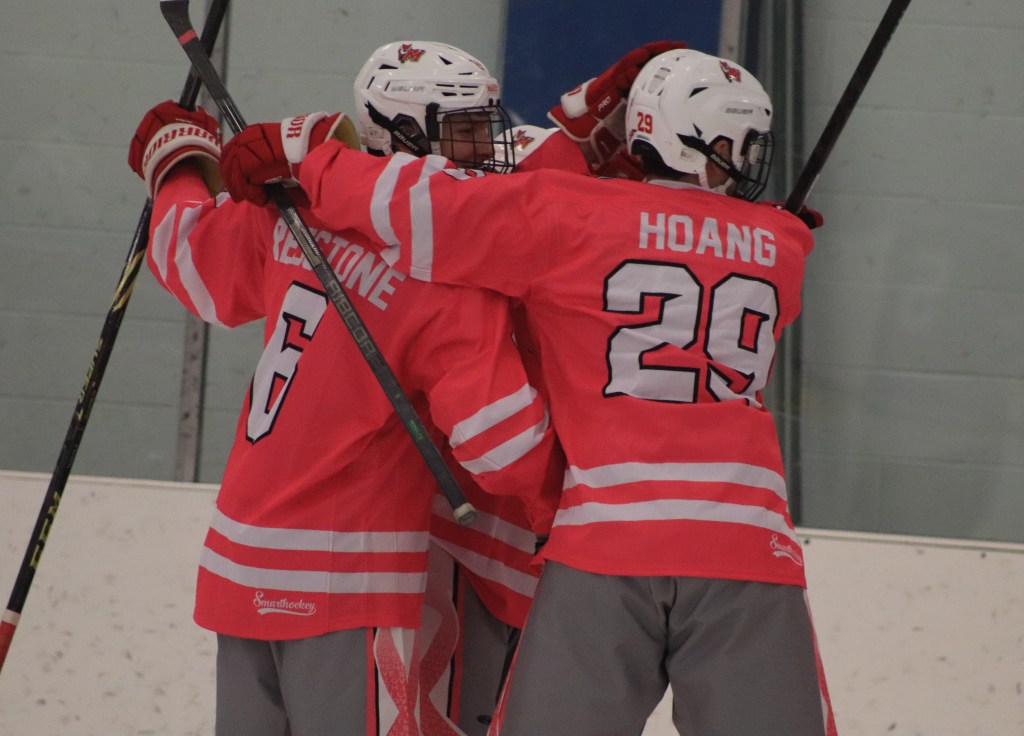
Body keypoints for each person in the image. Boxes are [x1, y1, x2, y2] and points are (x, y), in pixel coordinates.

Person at [219, 48, 838, 735]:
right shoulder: (784, 246)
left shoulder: (571, 215)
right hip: (747, 545)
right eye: (737, 143)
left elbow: (425, 207)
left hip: (604, 540)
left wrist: (308, 158)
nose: (745, 158)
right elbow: (722, 240)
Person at [126, 54, 563, 735]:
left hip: (240, 558)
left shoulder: (291, 208)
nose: (489, 146)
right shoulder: (445, 270)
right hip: (347, 579)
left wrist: (179, 167)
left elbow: (195, 263)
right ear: (410, 135)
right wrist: (577, 502)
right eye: (469, 129)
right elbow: (500, 445)